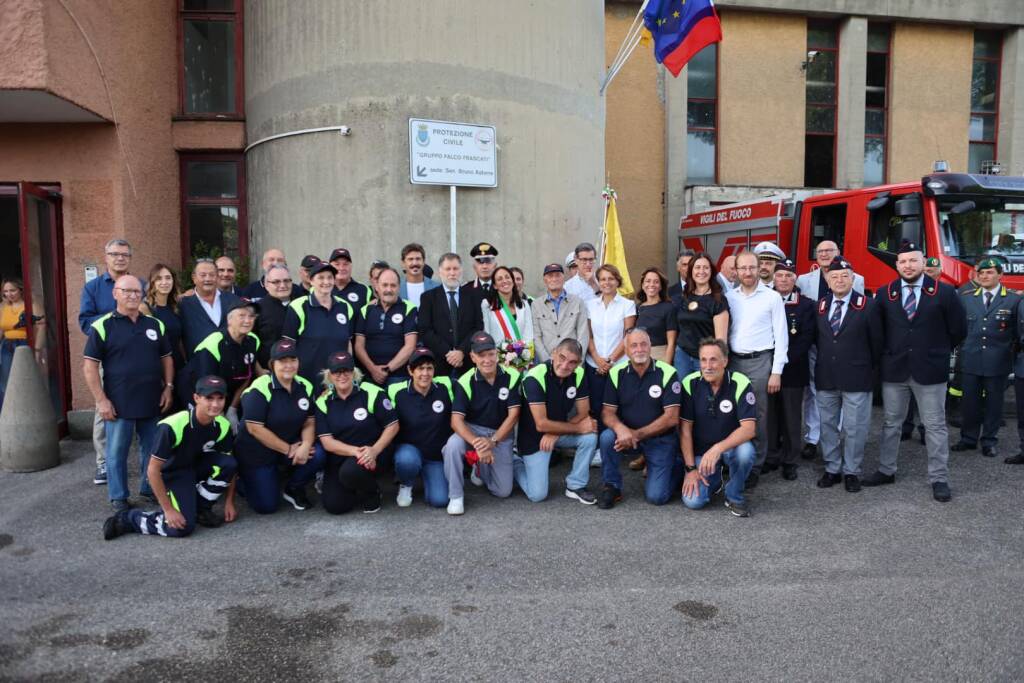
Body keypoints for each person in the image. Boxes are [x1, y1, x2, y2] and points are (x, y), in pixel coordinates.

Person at [867, 242, 967, 502]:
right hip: (895, 370)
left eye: (913, 261)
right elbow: (878, 331)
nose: (908, 266)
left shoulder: (944, 293)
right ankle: (886, 470)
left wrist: (936, 350)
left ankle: (939, 478)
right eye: (902, 262)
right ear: (896, 265)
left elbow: (958, 329)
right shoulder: (884, 293)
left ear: (923, 263)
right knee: (891, 424)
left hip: (930, 369)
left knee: (934, 426)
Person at [102, 375, 238, 540]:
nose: (215, 404)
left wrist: (230, 502)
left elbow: (231, 467)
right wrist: (168, 510)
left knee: (229, 463)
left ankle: (201, 509)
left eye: (220, 398)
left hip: (193, 468)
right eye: (209, 398)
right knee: (181, 528)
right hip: (171, 475)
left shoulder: (222, 425)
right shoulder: (172, 426)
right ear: (196, 398)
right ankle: (129, 519)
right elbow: (152, 471)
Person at [83, 275, 174, 511]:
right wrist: (101, 400)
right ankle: (119, 497)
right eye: (127, 291)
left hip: (152, 399)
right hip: (118, 402)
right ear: (115, 293)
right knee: (116, 452)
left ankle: (149, 488)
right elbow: (90, 367)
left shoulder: (154, 325)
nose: (133, 295)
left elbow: (167, 359)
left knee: (152, 450)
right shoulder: (102, 326)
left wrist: (169, 387)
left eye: (137, 291)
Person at [813, 256, 882, 493]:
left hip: (857, 377)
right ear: (827, 280)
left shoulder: (869, 305)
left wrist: (867, 371)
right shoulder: (820, 306)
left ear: (853, 278)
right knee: (828, 425)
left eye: (844, 276)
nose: (839, 280)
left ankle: (852, 470)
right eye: (834, 277)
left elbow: (877, 344)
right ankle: (832, 468)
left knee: (855, 428)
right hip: (826, 377)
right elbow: (818, 342)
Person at [79, 238, 143, 486]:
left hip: (140, 354)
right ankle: (104, 462)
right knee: (104, 407)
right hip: (109, 355)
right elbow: (85, 322)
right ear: (105, 256)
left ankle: (140, 460)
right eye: (115, 254)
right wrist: (115, 317)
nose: (120, 258)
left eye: (125, 254)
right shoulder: (94, 288)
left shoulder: (140, 284)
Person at [795, 240, 867, 461]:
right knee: (814, 394)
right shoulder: (803, 280)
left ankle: (837, 437)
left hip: (844, 349)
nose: (825, 254)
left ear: (838, 253)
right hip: (815, 345)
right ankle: (812, 437)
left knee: (840, 393)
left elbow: (860, 314)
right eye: (820, 251)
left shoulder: (857, 279)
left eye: (830, 251)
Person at [597, 327, 682, 509]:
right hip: (627, 436)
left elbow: (672, 418)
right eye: (633, 345)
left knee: (657, 497)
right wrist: (621, 430)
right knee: (607, 438)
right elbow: (607, 412)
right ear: (626, 350)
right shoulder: (616, 373)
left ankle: (676, 466)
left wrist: (637, 434)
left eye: (643, 344)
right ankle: (612, 486)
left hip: (660, 439)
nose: (639, 349)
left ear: (650, 346)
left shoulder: (667, 372)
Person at [233, 339, 322, 513]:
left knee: (317, 454)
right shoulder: (259, 389)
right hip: (257, 453)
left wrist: (305, 445)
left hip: (288, 447)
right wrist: (288, 449)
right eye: (283, 361)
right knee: (266, 506)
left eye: (293, 360)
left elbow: (309, 421)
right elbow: (255, 429)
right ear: (272, 364)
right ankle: (242, 480)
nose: (289, 365)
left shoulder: (305, 385)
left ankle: (293, 488)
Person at [726, 250, 788, 488]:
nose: (748, 272)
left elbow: (781, 336)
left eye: (752, 267)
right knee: (732, 414)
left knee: (758, 416)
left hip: (761, 362)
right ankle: (734, 461)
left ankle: (755, 466)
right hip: (733, 362)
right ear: (737, 270)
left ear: (759, 268)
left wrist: (776, 371)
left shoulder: (772, 297)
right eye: (743, 268)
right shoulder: (730, 297)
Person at [441, 332, 521, 516]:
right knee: (453, 445)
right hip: (473, 430)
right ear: (472, 357)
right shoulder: (465, 381)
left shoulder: (512, 376)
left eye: (490, 354)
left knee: (503, 492)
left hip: (500, 434)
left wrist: (492, 441)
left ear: (497, 354)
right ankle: (456, 496)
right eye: (481, 355)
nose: (487, 360)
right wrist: (478, 443)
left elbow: (514, 415)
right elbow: (456, 421)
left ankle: (479, 469)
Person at [514, 338, 599, 504]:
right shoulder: (535, 376)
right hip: (534, 438)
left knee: (590, 436)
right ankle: (515, 462)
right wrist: (574, 429)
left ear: (579, 363)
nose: (565, 365)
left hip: (557, 433)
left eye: (572, 362)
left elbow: (583, 412)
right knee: (537, 495)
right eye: (562, 357)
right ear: (553, 353)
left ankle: (575, 485)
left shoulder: (579, 373)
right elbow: (541, 424)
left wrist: (555, 433)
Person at [315, 350, 400, 514]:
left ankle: (372, 492)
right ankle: (354, 485)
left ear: (354, 372)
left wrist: (374, 450)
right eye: (336, 372)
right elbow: (327, 442)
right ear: (329, 375)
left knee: (351, 472)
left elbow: (393, 426)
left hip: (375, 452)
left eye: (346, 370)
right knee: (335, 506)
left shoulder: (372, 392)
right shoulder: (323, 402)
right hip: (343, 456)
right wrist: (355, 452)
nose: (342, 376)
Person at [679, 338, 756, 516]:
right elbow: (685, 430)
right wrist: (690, 469)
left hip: (730, 448)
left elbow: (749, 428)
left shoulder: (740, 382)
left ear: (725, 361)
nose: (708, 366)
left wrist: (718, 448)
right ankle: (714, 481)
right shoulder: (690, 383)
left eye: (713, 359)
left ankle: (734, 496)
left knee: (746, 452)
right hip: (701, 453)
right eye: (703, 360)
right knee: (693, 502)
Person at [951, 258, 1019, 458]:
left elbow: (1017, 333)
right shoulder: (966, 297)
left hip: (998, 362)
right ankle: (968, 438)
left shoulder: (1013, 300)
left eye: (989, 273)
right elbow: (958, 328)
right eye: (981, 273)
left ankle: (989, 441)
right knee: (969, 402)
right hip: (971, 359)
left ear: (1000, 275)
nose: (984, 276)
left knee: (993, 404)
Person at [765, 259, 815, 481]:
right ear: (773, 278)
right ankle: (771, 456)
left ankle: (790, 460)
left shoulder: (805, 305)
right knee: (770, 416)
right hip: (767, 368)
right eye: (779, 275)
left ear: (795, 279)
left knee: (791, 417)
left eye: (788, 276)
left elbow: (806, 338)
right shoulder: (764, 299)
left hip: (793, 369)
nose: (783, 279)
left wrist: (782, 361)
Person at [388, 347, 455, 509]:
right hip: (409, 451)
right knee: (407, 460)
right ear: (410, 371)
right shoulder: (395, 390)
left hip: (434, 456)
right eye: (420, 369)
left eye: (429, 368)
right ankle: (406, 483)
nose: (425, 373)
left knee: (440, 500)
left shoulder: (446, 386)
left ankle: (428, 477)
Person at [181, 300, 261, 430]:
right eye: (242, 316)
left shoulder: (253, 340)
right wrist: (220, 414)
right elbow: (207, 386)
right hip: (197, 391)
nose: (248, 320)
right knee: (207, 428)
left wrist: (232, 409)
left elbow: (246, 376)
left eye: (251, 316)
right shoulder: (213, 343)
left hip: (225, 392)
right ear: (229, 320)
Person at [586, 264, 637, 468]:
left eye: (611, 278)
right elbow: (587, 334)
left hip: (619, 365)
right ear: (598, 281)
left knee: (621, 405)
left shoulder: (627, 304)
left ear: (618, 281)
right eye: (603, 279)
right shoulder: (590, 304)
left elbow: (628, 335)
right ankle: (600, 448)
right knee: (597, 407)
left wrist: (610, 361)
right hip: (594, 364)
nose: (607, 282)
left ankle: (623, 444)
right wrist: (597, 358)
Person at [281, 260, 356, 385]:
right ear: (311, 280)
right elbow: (288, 348)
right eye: (321, 278)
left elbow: (347, 343)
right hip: (307, 381)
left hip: (338, 381)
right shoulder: (298, 306)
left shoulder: (345, 307)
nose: (326, 282)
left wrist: (349, 371)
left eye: (330, 277)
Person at [417, 253, 484, 376]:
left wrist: (461, 351)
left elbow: (478, 327)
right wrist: (448, 353)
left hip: (467, 362)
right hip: (439, 363)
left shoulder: (473, 296)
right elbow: (425, 330)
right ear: (440, 272)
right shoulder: (428, 298)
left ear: (461, 270)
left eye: (455, 269)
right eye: (448, 269)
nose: (452, 273)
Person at [354, 267, 418, 385]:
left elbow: (410, 346)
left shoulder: (409, 308)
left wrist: (387, 369)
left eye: (393, 285)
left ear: (399, 287)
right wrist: (373, 369)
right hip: (369, 376)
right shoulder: (365, 310)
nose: (389, 289)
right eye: (385, 285)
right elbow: (358, 346)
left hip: (399, 377)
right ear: (377, 287)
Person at [673, 253, 729, 380]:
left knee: (705, 394)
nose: (701, 271)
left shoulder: (718, 300)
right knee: (683, 394)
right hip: (682, 355)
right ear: (691, 271)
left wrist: (718, 360)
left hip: (706, 358)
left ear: (711, 271)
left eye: (706, 268)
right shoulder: (684, 297)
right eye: (697, 267)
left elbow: (721, 339)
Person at [179, 258, 242, 360]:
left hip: (230, 365)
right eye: (203, 275)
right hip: (199, 368)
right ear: (194, 278)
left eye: (212, 275)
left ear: (217, 277)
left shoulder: (233, 300)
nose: (207, 279)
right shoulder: (183, 305)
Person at [139, 264, 185, 393]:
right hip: (158, 370)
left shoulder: (175, 306)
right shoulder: (144, 308)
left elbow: (179, 339)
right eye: (159, 278)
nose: (164, 282)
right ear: (152, 282)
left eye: (168, 278)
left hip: (179, 367)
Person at [531, 262, 589, 364]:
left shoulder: (578, 302)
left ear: (563, 278)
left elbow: (583, 334)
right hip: (547, 363)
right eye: (550, 276)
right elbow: (536, 336)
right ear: (545, 280)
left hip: (572, 363)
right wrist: (547, 362)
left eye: (558, 275)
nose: (554, 279)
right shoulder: (536, 305)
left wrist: (577, 361)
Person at [0, 278, 42, 410]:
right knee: (6, 381)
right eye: (5, 291)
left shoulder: (30, 305)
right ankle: (8, 413)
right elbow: (1, 329)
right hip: (6, 345)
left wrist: (37, 349)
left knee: (26, 379)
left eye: (12, 290)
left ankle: (28, 411)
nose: (9, 294)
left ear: (20, 290)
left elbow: (41, 327)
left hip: (24, 344)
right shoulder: (3, 306)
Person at [481, 266, 535, 368]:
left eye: (507, 277)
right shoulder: (487, 305)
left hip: (523, 363)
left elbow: (529, 335)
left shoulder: (524, 304)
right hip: (499, 362)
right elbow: (487, 335)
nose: (504, 281)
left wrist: (523, 358)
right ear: (495, 285)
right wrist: (501, 357)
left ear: (512, 281)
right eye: (500, 279)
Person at [254, 264, 296, 367]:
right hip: (267, 372)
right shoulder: (257, 309)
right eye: (276, 282)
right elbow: (249, 344)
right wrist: (259, 371)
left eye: (286, 281)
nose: (282, 285)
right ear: (266, 284)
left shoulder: (301, 305)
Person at [635, 267, 677, 365]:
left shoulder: (669, 308)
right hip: (639, 357)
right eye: (648, 281)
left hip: (660, 356)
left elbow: (671, 343)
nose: (651, 285)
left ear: (661, 286)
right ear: (642, 285)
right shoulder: (638, 308)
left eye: (656, 282)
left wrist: (666, 366)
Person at [398, 243, 440, 309]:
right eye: (410, 259)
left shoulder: (437, 288)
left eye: (418, 259)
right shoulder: (396, 288)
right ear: (403, 263)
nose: (415, 263)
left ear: (423, 261)